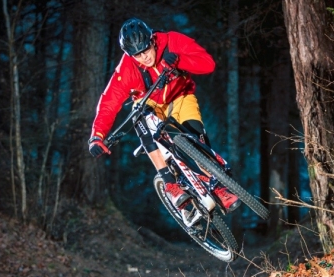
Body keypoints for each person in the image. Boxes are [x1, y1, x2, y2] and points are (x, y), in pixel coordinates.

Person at [87, 18, 241, 213]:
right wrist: (97, 135)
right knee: (139, 115)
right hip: (149, 103)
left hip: (181, 96)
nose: (144, 57)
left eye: (145, 50)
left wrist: (180, 61)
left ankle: (218, 187)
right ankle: (170, 184)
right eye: (137, 55)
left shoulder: (172, 41)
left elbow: (208, 64)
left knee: (197, 140)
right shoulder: (126, 68)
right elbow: (109, 102)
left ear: (152, 40)